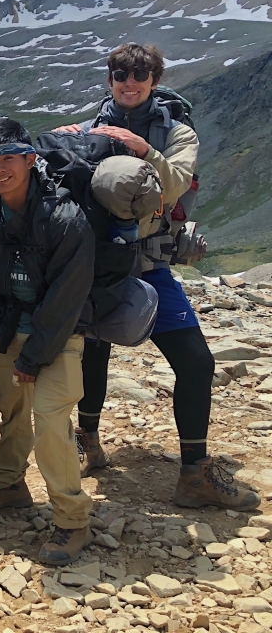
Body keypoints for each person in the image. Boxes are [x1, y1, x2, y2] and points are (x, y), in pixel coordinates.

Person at [54, 43, 259, 510]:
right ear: (110, 80)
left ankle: (194, 474)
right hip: (97, 261)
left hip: (150, 263)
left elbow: (174, 185)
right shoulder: (88, 128)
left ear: (155, 81)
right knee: (93, 352)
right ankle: (89, 440)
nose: (129, 82)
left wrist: (145, 150)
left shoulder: (178, 134)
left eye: (139, 75)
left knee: (196, 362)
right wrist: (65, 142)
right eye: (120, 74)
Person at [0, 120, 96, 566]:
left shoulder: (65, 217)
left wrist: (34, 356)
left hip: (56, 337)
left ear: (31, 159)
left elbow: (67, 298)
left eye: (8, 158)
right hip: (0, 327)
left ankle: (71, 520)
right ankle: (1, 486)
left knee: (49, 422)